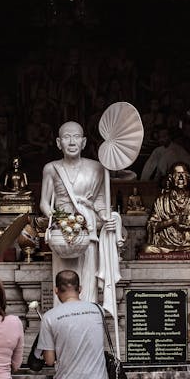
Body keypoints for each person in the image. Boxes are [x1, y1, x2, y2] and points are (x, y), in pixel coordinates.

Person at [40, 121, 119, 304]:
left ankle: (88, 316)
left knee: (87, 282)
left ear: (83, 142)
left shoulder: (97, 168)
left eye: (76, 137)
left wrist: (107, 217)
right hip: (63, 233)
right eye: (67, 137)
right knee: (63, 278)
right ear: (59, 143)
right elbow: (44, 202)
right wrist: (56, 220)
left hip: (87, 228)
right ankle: (64, 318)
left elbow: (101, 204)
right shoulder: (51, 168)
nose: (72, 142)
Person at [35, 269, 112, 379]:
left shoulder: (49, 317)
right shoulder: (98, 310)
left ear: (56, 290)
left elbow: (49, 360)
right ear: (80, 289)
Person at [144, 162, 190, 253]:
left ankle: (184, 250)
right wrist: (172, 221)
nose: (181, 177)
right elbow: (151, 225)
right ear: (171, 178)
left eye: (184, 174)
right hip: (167, 244)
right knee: (148, 249)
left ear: (189, 177)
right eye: (177, 174)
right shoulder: (161, 200)